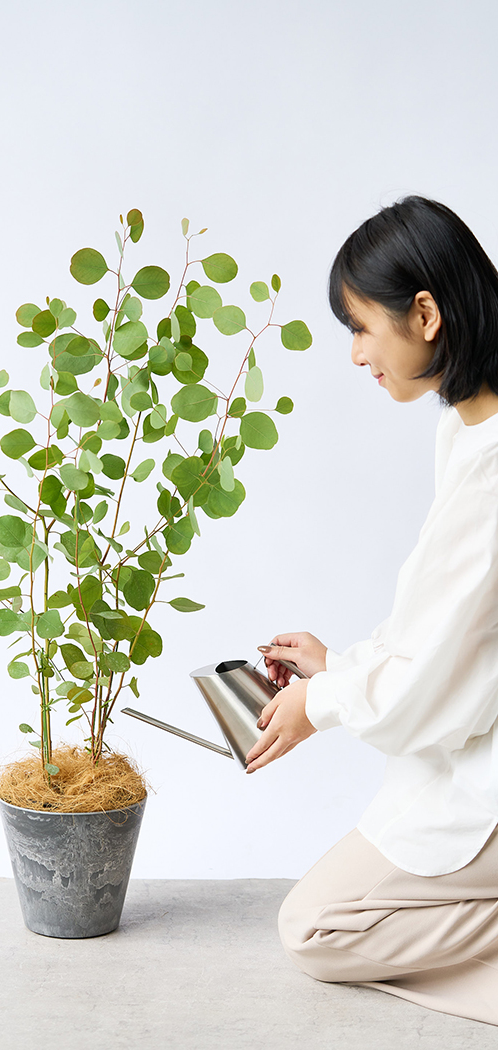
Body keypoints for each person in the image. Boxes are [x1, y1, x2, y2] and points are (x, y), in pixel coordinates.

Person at [245, 195, 498, 1027]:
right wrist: (342, 665)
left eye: (361, 328)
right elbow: (453, 632)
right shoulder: (467, 426)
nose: (355, 355)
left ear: (425, 313)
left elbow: (434, 689)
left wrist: (320, 703)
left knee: (315, 928)